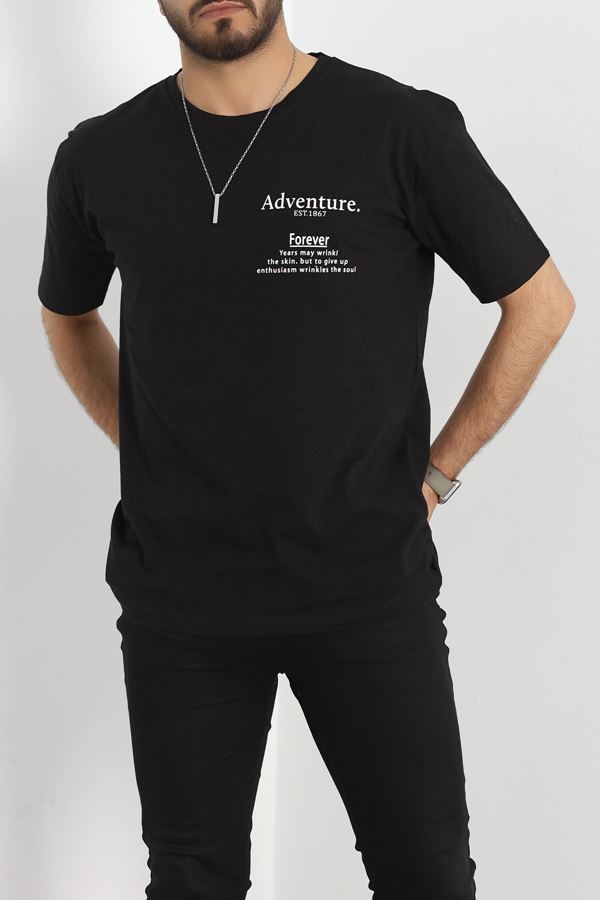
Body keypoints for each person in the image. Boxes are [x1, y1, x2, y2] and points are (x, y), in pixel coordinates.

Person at [37, 1, 575, 897]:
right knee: (191, 881)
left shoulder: (399, 128)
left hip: (366, 587)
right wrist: (152, 445)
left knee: (427, 877)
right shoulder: (101, 155)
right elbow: (67, 313)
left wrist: (437, 475)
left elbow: (541, 305)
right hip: (182, 601)